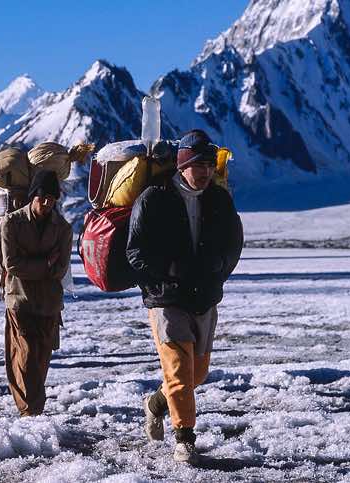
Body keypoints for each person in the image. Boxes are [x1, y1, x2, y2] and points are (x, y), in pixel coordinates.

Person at [126, 129, 243, 464]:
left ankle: (155, 404)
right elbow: (135, 252)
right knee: (178, 371)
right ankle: (185, 439)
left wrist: (218, 269)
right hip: (166, 298)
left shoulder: (219, 199)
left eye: (209, 164)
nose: (206, 171)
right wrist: (164, 277)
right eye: (199, 164)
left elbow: (233, 243)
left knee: (197, 374)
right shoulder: (153, 197)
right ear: (182, 165)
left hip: (205, 295)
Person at [0, 169, 73, 416]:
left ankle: (32, 407)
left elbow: (61, 267)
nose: (46, 203)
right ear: (33, 196)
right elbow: (11, 264)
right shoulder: (12, 223)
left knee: (41, 359)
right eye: (42, 197)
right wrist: (45, 264)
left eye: (52, 199)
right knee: (25, 355)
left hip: (49, 303)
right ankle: (31, 410)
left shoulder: (62, 228)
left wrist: (38, 265)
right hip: (20, 299)